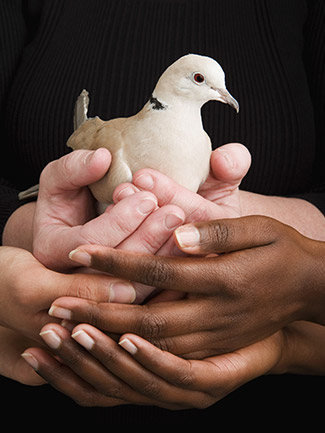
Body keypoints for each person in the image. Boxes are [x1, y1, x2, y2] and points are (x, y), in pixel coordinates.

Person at [0, 0, 324, 426]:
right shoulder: (121, 144)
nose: (223, 96)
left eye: (220, 87)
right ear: (175, 84)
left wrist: (287, 335)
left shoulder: (203, 149)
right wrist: (22, 232)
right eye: (203, 82)